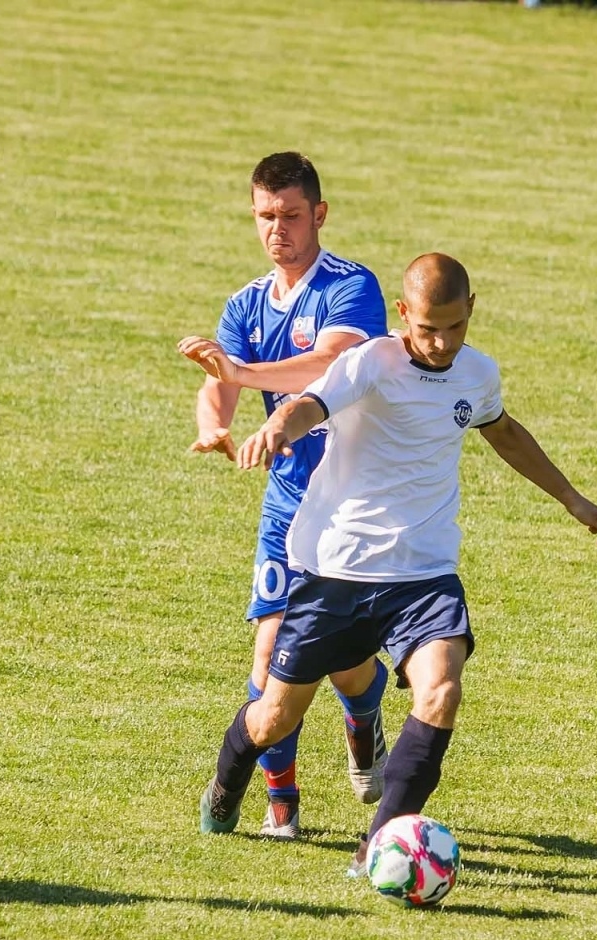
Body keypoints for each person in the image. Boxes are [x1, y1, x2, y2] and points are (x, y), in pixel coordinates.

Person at [194, 253, 597, 873]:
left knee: (442, 691)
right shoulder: (370, 362)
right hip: (336, 571)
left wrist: (573, 499)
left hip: (424, 574)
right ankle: (227, 783)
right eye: (428, 329)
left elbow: (502, 431)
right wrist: (279, 428)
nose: (442, 342)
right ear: (404, 316)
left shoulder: (476, 373)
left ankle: (380, 844)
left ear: (471, 310)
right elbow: (309, 404)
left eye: (454, 326)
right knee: (273, 716)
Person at [177, 152, 392, 841]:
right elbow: (221, 382)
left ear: (319, 215)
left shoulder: (349, 286)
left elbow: (327, 364)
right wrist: (215, 423)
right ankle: (282, 808)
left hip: (355, 507)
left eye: (291, 215)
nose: (278, 230)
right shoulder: (244, 304)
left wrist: (241, 369)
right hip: (287, 506)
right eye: (266, 217)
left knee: (346, 665)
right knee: (270, 656)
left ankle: (365, 725)